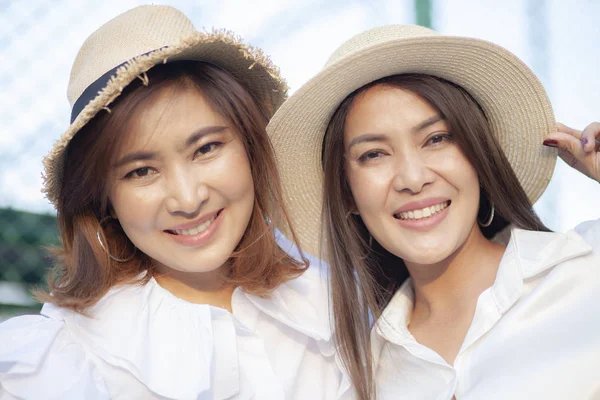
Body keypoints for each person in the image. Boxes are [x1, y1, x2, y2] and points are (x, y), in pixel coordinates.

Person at [0, 5, 349, 399]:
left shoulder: (334, 304)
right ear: (103, 199)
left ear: (251, 148)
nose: (187, 198)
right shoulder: (61, 364)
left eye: (206, 148)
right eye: (141, 171)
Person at [267, 24, 600, 399]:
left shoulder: (588, 271)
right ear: (346, 193)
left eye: (437, 139)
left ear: (478, 153)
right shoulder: (355, 380)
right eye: (373, 154)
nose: (412, 178)